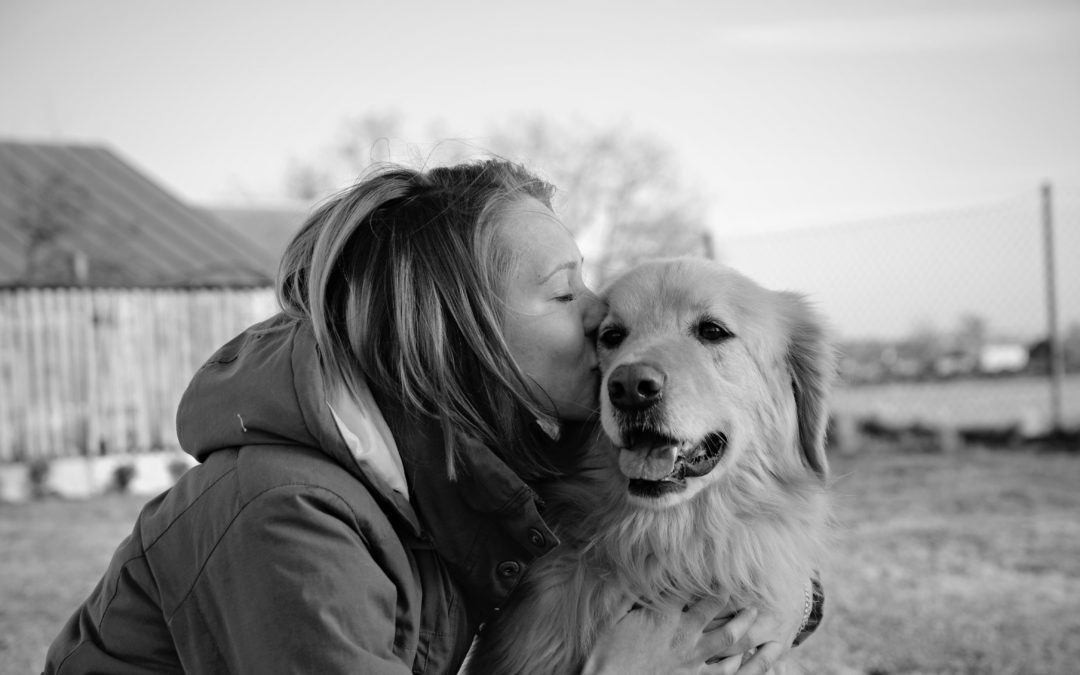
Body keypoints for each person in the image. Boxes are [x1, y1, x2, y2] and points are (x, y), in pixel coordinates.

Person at [44, 159, 819, 674]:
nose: (600, 322)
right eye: (563, 292)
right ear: (459, 331)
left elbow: (695, 543)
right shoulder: (285, 516)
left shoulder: (463, 461)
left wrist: (790, 604)